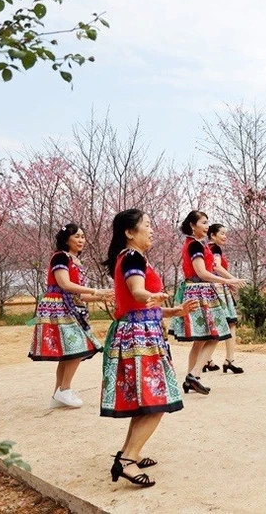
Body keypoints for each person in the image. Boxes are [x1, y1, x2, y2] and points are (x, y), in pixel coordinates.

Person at [101, 209, 199, 487]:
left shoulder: (132, 257)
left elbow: (142, 303)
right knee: (156, 401)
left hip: (140, 333)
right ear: (130, 233)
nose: (152, 229)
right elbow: (137, 293)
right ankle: (127, 461)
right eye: (147, 225)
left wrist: (175, 311)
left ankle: (128, 453)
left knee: (146, 401)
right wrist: (152, 295)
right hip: (139, 338)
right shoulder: (131, 257)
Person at [28, 223, 113, 408]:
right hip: (59, 308)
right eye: (77, 236)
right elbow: (64, 284)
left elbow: (79, 294)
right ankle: (64, 390)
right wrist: (96, 290)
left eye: (83, 236)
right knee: (77, 348)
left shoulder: (75, 260)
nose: (81, 240)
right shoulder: (60, 257)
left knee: (69, 353)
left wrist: (102, 295)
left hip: (72, 307)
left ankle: (58, 394)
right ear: (66, 239)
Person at [169, 210, 238, 395]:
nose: (207, 226)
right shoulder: (195, 246)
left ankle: (192, 377)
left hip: (198, 290)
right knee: (216, 335)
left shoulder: (195, 244)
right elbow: (202, 272)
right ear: (193, 225)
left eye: (208, 223)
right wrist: (228, 281)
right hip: (200, 292)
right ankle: (194, 375)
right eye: (204, 222)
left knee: (200, 341)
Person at [204, 223, 247, 374]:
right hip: (219, 289)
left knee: (216, 325)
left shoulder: (205, 248)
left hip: (211, 287)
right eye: (221, 233)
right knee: (230, 323)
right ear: (212, 235)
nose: (224, 236)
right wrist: (233, 279)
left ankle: (207, 360)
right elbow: (216, 267)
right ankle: (229, 360)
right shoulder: (215, 248)